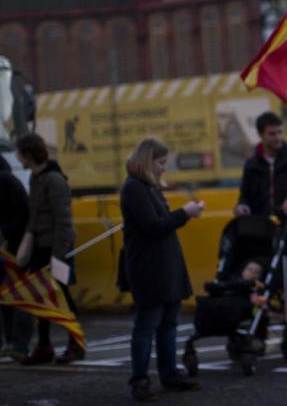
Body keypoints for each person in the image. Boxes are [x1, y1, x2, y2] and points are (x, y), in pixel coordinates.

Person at [120, 137, 204, 402]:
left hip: (165, 267)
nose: (163, 168)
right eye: (161, 162)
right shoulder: (135, 188)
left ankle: (169, 376)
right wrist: (185, 214)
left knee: (168, 324)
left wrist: (183, 215)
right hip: (150, 269)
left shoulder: (148, 187)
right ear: (148, 161)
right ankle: (140, 381)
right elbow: (153, 226)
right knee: (147, 325)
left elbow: (160, 224)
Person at [233, 111, 287, 357]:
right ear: (261, 135)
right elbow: (244, 196)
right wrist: (241, 207)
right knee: (259, 284)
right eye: (272, 133)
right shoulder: (252, 165)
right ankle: (259, 334)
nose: (278, 137)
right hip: (260, 233)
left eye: (280, 131)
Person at [15, 133, 83, 365]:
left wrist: (58, 257)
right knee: (41, 298)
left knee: (63, 298)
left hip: (56, 250)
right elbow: (35, 216)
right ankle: (44, 346)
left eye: (20, 153)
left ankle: (76, 343)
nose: (18, 157)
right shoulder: (36, 178)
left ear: (28, 154)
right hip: (40, 249)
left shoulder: (53, 180)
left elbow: (64, 223)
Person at [0, 154, 33, 361]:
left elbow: (24, 214)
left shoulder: (5, 182)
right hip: (13, 247)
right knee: (10, 296)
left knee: (13, 296)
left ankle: (16, 343)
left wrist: (4, 232)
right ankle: (14, 342)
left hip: (14, 248)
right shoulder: (11, 180)